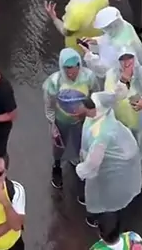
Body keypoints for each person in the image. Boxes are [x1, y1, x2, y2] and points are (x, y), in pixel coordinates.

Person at [76, 93, 142, 229]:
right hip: (108, 160)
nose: (85, 108)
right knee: (96, 186)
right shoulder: (100, 115)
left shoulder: (102, 134)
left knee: (105, 192)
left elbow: (93, 163)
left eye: (89, 106)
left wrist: (81, 170)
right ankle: (94, 204)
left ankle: (101, 216)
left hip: (110, 167)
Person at [43, 47, 97, 190]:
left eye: (74, 67)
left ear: (80, 64)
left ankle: (79, 166)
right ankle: (57, 167)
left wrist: (89, 115)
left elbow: (95, 97)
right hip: (61, 122)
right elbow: (49, 106)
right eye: (67, 68)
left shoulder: (89, 78)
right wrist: (52, 125)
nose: (71, 72)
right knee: (59, 147)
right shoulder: (54, 82)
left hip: (82, 122)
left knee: (81, 145)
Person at [104, 48, 142, 170]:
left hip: (140, 125)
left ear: (135, 58)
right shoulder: (112, 76)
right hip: (120, 124)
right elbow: (110, 99)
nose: (127, 63)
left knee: (139, 147)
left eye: (129, 58)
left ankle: (137, 167)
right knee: (123, 150)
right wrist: (123, 81)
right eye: (122, 59)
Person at [45, 0, 109, 53]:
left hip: (80, 49)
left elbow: (66, 32)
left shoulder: (75, 10)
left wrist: (53, 17)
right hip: (99, 40)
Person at [84, 7, 142, 82]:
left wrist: (90, 57)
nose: (104, 30)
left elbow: (105, 69)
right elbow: (110, 38)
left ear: (111, 26)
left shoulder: (122, 48)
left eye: (105, 28)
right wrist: (96, 41)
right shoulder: (123, 26)